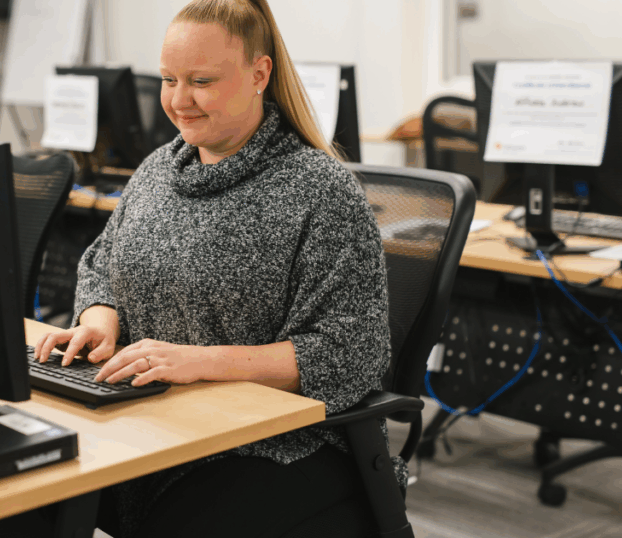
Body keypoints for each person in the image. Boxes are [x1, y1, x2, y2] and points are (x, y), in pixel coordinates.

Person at [34, 0, 392, 536]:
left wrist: (201, 361)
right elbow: (102, 264)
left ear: (259, 74)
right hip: (150, 419)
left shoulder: (321, 191)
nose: (179, 101)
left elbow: (351, 352)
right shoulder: (157, 170)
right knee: (15, 496)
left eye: (201, 80)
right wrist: (98, 320)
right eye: (168, 79)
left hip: (275, 444)